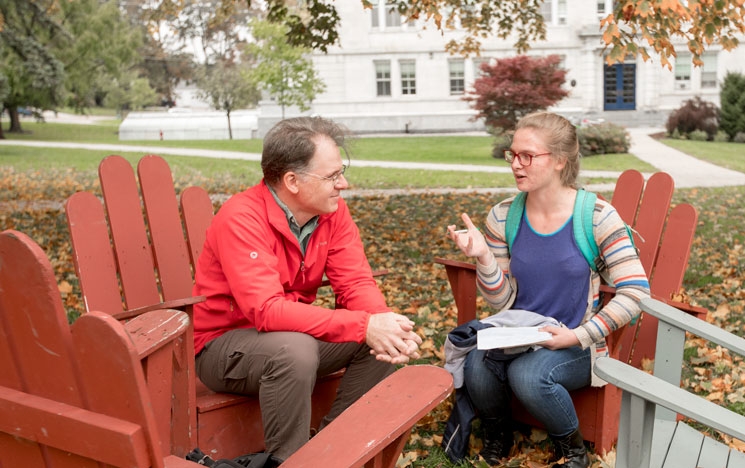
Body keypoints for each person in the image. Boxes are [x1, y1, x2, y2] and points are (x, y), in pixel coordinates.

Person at [192, 116, 422, 460]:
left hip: (290, 335)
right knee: (295, 348)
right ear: (292, 181)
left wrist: (383, 322)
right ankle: (291, 460)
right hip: (222, 349)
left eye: (341, 172)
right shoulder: (241, 217)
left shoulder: (332, 213)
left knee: (384, 337)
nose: (343, 184)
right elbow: (266, 311)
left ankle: (332, 449)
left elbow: (355, 281)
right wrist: (362, 324)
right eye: (331, 176)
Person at [445, 111, 649, 467]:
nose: (516, 165)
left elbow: (636, 291)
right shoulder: (504, 216)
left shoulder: (596, 217)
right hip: (518, 333)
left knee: (529, 374)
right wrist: (482, 258)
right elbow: (503, 300)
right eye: (513, 154)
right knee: (476, 362)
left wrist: (577, 336)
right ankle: (498, 434)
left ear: (559, 161)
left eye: (528, 156)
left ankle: (572, 451)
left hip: (576, 342)